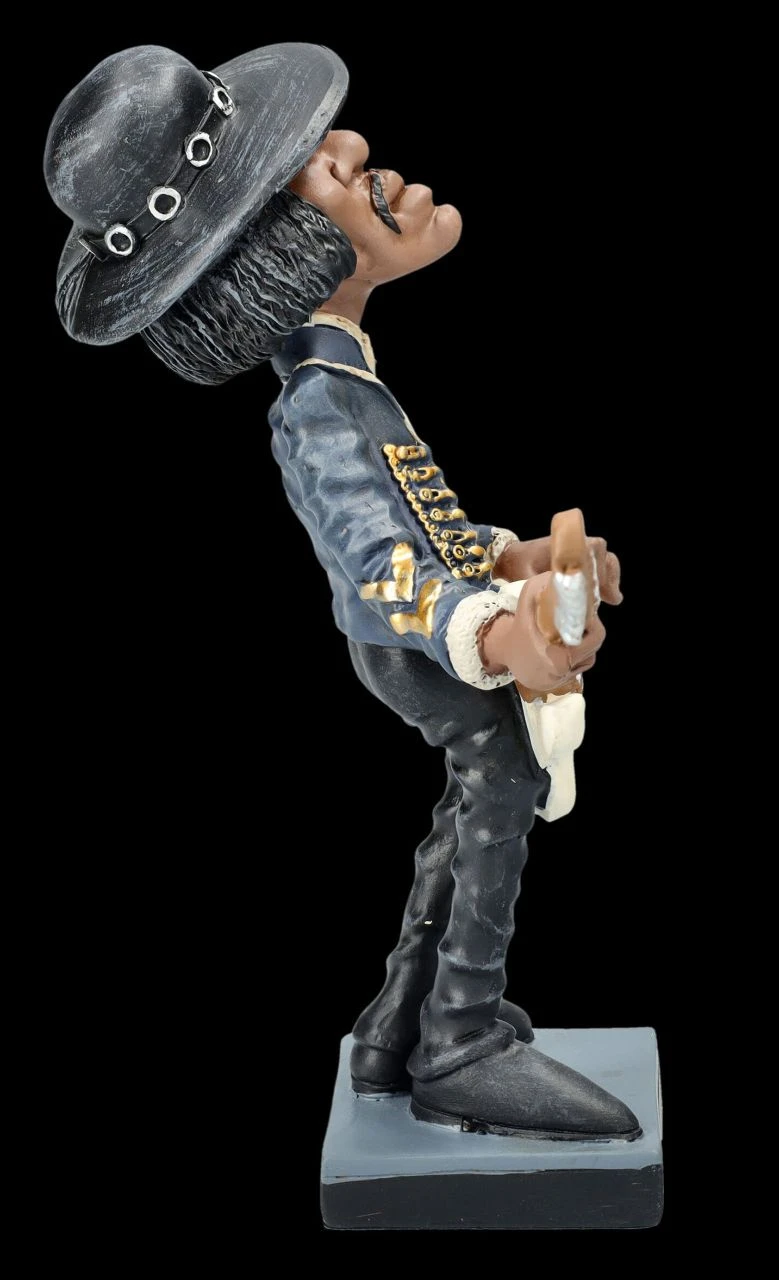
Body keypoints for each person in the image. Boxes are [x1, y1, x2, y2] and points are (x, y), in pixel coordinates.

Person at [45, 42, 638, 1140]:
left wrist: (505, 559)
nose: (353, 146)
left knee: (476, 788)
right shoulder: (319, 406)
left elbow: (418, 518)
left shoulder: (344, 374)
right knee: (502, 774)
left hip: (422, 625)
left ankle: (396, 1025)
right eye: (315, 165)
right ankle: (460, 1040)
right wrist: (490, 628)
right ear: (282, 246)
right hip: (409, 637)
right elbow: (376, 557)